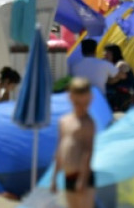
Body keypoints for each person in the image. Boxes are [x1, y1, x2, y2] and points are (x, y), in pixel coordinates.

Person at [50, 78, 97, 208]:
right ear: (71, 98)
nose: (81, 106)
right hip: (68, 176)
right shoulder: (64, 121)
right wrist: (54, 177)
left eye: (84, 103)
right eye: (77, 102)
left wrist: (83, 178)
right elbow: (59, 150)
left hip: (83, 177)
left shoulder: (88, 123)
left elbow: (88, 150)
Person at [103, 44, 134, 112]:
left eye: (107, 52)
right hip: (118, 99)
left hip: (129, 100)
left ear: (114, 54)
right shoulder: (110, 67)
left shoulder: (121, 64)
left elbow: (113, 80)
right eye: (105, 52)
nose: (104, 54)